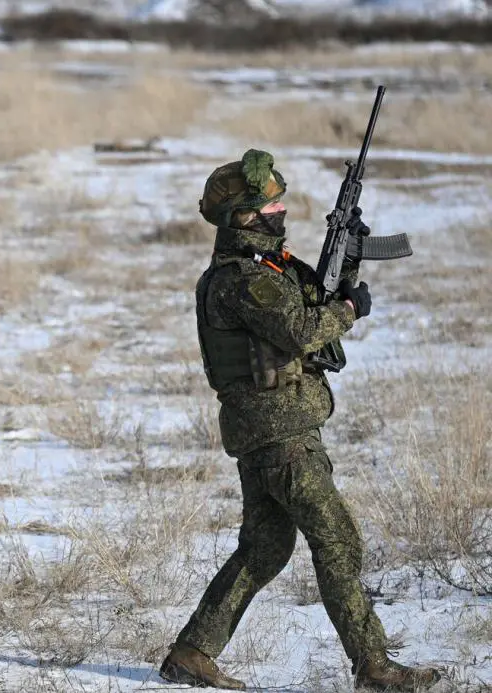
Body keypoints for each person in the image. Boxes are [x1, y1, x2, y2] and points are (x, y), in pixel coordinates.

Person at [159, 150, 443, 691]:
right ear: (244, 217)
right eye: (270, 205)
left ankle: (192, 652)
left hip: (267, 431)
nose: (281, 210)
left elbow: (315, 298)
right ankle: (374, 667)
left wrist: (349, 254)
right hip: (281, 435)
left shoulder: (268, 268)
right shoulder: (241, 280)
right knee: (338, 540)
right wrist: (349, 312)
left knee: (265, 549)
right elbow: (301, 329)